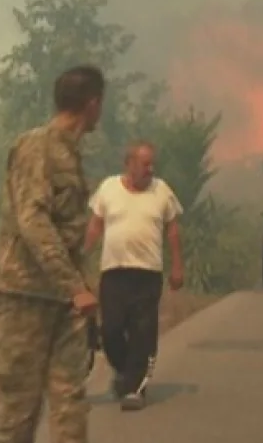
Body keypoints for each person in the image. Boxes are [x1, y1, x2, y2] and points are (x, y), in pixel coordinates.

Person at [0, 64, 105, 443]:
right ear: (92, 104)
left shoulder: (71, 153)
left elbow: (68, 232)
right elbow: (33, 222)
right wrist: (75, 287)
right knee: (18, 413)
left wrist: (80, 289)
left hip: (64, 300)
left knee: (71, 401)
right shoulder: (37, 147)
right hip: (24, 296)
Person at [83, 141, 185, 411]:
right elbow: (95, 227)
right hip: (114, 272)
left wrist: (177, 266)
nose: (150, 169)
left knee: (143, 331)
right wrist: (79, 257)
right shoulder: (108, 188)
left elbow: (173, 231)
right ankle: (126, 371)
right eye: (144, 164)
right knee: (111, 330)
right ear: (129, 164)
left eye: (152, 164)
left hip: (147, 274)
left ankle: (134, 388)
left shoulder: (161, 191)